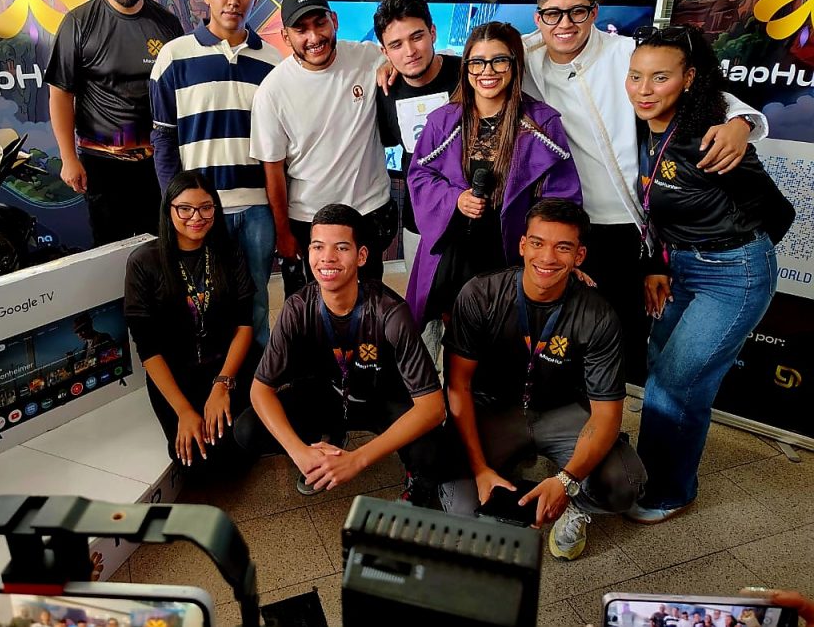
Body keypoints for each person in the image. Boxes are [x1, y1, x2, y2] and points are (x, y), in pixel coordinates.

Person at [520, 0, 767, 379]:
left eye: (577, 12)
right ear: (538, 18)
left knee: (620, 336)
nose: (565, 24)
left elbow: (701, 91)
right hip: (567, 220)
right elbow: (480, 67)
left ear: (594, 12)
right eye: (553, 14)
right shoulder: (526, 58)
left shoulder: (625, 54)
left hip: (629, 224)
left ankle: (610, 413)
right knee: (561, 335)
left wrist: (740, 121)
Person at [622, 25, 794, 524]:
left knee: (675, 382)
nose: (644, 89)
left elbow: (777, 212)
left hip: (732, 273)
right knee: (663, 369)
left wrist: (738, 254)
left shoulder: (710, 137)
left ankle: (670, 491)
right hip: (679, 267)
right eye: (636, 76)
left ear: (690, 79)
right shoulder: (638, 127)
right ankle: (655, 467)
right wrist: (661, 262)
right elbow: (651, 207)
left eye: (660, 78)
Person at [441, 199, 646, 561]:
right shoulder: (481, 294)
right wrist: (480, 468)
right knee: (460, 506)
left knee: (625, 483)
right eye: (537, 243)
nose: (547, 257)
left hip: (561, 411)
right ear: (523, 245)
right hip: (494, 408)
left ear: (579, 255)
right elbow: (458, 386)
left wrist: (567, 481)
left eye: (563, 247)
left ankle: (577, 505)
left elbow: (607, 414)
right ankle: (502, 469)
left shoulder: (597, 314)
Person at [233, 203, 448, 504]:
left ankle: (416, 480)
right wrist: (299, 451)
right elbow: (260, 390)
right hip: (326, 397)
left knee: (434, 450)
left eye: (341, 248)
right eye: (318, 246)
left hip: (380, 400)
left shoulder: (390, 313)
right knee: (247, 430)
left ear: (362, 256)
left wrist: (357, 460)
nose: (327, 258)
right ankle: (320, 451)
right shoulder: (298, 308)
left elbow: (433, 407)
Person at [406, 21, 581, 336]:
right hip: (455, 250)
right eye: (477, 62)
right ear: (466, 67)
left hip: (512, 250)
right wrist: (455, 199)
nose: (487, 71)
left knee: (506, 335)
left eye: (499, 60)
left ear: (515, 64)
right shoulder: (443, 121)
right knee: (456, 335)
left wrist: (549, 251)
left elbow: (561, 196)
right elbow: (420, 176)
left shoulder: (541, 124)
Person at [149, 0, 282, 347]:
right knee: (205, 303)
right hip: (202, 210)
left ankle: (256, 374)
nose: (233, 0)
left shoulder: (274, 62)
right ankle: (214, 374)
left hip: (257, 209)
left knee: (256, 302)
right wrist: (177, 204)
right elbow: (163, 139)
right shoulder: (174, 57)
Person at [251, 0, 396, 297]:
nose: (314, 37)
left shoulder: (368, 57)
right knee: (310, 309)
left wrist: (391, 65)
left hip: (368, 212)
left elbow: (407, 64)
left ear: (334, 21)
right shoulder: (272, 92)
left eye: (320, 23)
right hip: (309, 220)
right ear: (286, 36)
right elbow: (273, 171)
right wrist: (283, 233)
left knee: (368, 303)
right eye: (301, 30)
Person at [46, 0, 184, 246]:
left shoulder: (167, 24)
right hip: (102, 166)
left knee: (164, 250)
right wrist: (68, 158)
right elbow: (60, 94)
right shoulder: (78, 23)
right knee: (110, 255)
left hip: (159, 163)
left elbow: (180, 93)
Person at [124, 170, 256, 476]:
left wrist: (222, 385)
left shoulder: (228, 252)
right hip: (177, 373)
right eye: (185, 208)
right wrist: (183, 410)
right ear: (168, 209)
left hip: (226, 367)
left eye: (206, 207)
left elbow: (244, 325)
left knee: (242, 441)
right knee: (194, 461)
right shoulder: (144, 261)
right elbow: (147, 347)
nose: (196, 217)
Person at [373, 0, 463, 276]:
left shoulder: (468, 75)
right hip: (419, 216)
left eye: (417, 37)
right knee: (422, 298)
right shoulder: (385, 91)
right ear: (385, 52)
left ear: (433, 32)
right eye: (396, 45)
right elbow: (390, 140)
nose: (410, 51)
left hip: (473, 215)